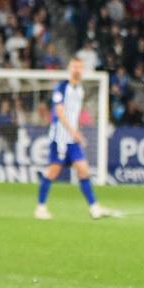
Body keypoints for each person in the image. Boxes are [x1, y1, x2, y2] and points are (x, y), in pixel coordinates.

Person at [35, 56, 117, 219]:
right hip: (59, 139)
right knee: (53, 172)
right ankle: (40, 208)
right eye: (74, 67)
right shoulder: (61, 88)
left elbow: (74, 115)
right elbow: (59, 113)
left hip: (72, 140)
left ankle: (94, 207)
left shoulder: (79, 90)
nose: (77, 70)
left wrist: (77, 132)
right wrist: (74, 132)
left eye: (80, 67)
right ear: (69, 68)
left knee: (83, 170)